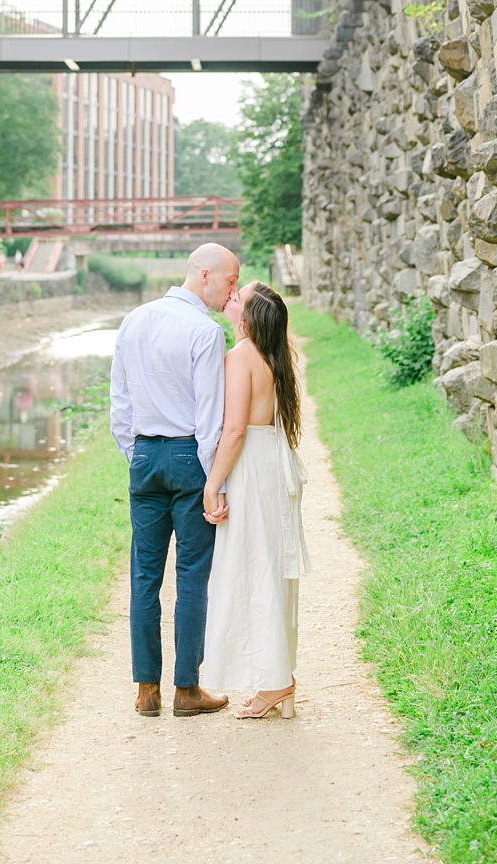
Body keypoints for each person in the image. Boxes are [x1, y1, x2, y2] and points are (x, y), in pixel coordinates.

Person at [110, 241, 239, 717]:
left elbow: (119, 405)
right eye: (230, 281)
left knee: (143, 577)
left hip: (143, 454)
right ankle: (186, 690)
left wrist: (137, 454)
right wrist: (214, 482)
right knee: (191, 576)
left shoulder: (133, 320)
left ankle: (147, 691)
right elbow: (210, 420)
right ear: (205, 276)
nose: (233, 292)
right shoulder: (205, 333)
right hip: (189, 456)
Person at [200, 280, 310, 720]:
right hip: (269, 463)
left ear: (245, 320)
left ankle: (277, 682)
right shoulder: (271, 356)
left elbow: (234, 431)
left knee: (253, 568)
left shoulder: (240, 357)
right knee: (266, 568)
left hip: (250, 467)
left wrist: (212, 484)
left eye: (236, 298)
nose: (229, 299)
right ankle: (276, 679)